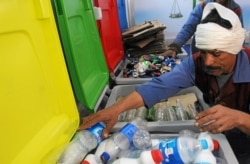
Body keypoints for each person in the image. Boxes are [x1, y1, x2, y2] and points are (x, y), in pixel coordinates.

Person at [79, 3, 250, 163]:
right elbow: (157, 87)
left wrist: (240, 118)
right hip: (220, 137)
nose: (208, 62)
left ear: (234, 48)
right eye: (204, 52)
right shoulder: (195, 64)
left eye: (216, 54)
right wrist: (115, 109)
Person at [162, 0, 243, 57]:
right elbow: (189, 28)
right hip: (201, 53)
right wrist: (175, 47)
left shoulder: (236, 10)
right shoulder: (203, 6)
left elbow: (239, 35)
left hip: (226, 53)